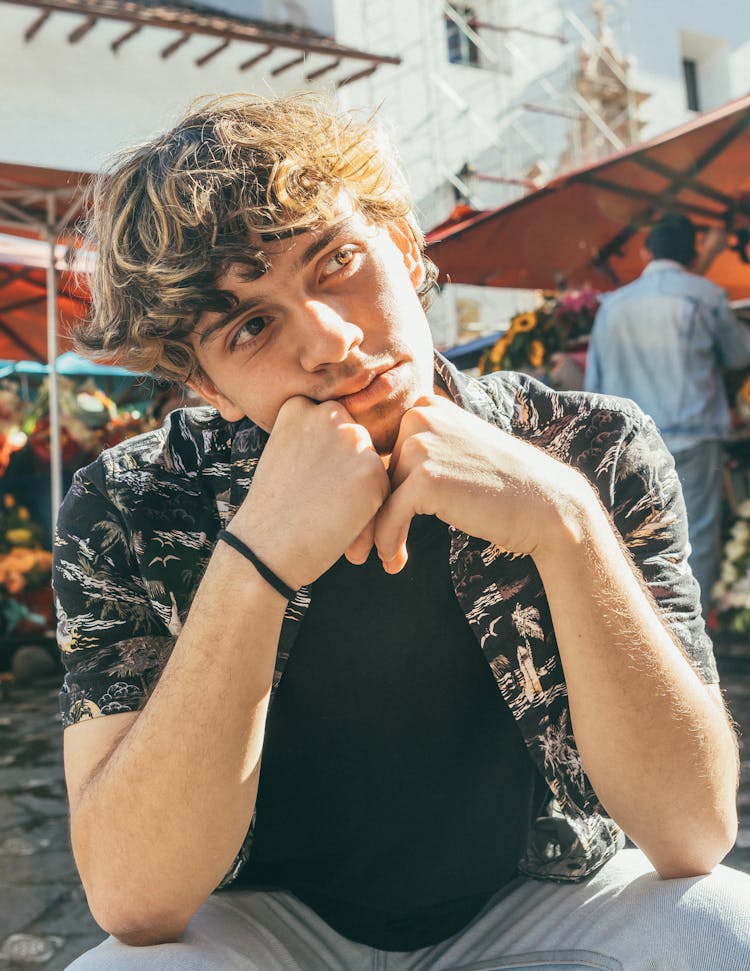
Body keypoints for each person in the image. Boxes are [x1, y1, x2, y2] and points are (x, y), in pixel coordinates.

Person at [55, 94, 749, 971]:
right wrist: (255, 562)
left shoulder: (590, 447)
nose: (332, 342)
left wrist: (565, 523)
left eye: (337, 261)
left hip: (534, 902)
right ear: (208, 387)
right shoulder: (133, 502)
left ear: (408, 246)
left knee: (724, 926)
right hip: (266, 925)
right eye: (252, 325)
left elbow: (693, 831)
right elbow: (132, 897)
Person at [584, 214, 750, 615]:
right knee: (698, 536)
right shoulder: (704, 295)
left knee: (637, 538)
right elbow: (740, 354)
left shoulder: (614, 306)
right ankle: (693, 634)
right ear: (693, 253)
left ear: (646, 252)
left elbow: (593, 387)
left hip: (630, 444)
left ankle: (649, 628)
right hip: (693, 436)